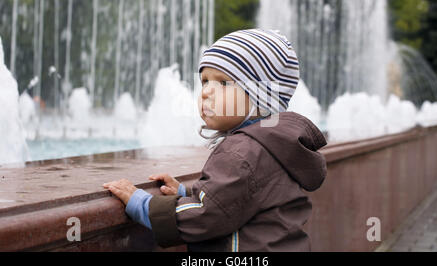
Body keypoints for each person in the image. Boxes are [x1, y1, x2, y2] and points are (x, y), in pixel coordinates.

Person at [103, 29, 327, 251]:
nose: (206, 92)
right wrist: (185, 195)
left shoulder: (242, 152)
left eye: (223, 83)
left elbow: (204, 216)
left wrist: (142, 203)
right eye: (204, 81)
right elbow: (238, 201)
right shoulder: (273, 145)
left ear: (262, 96)